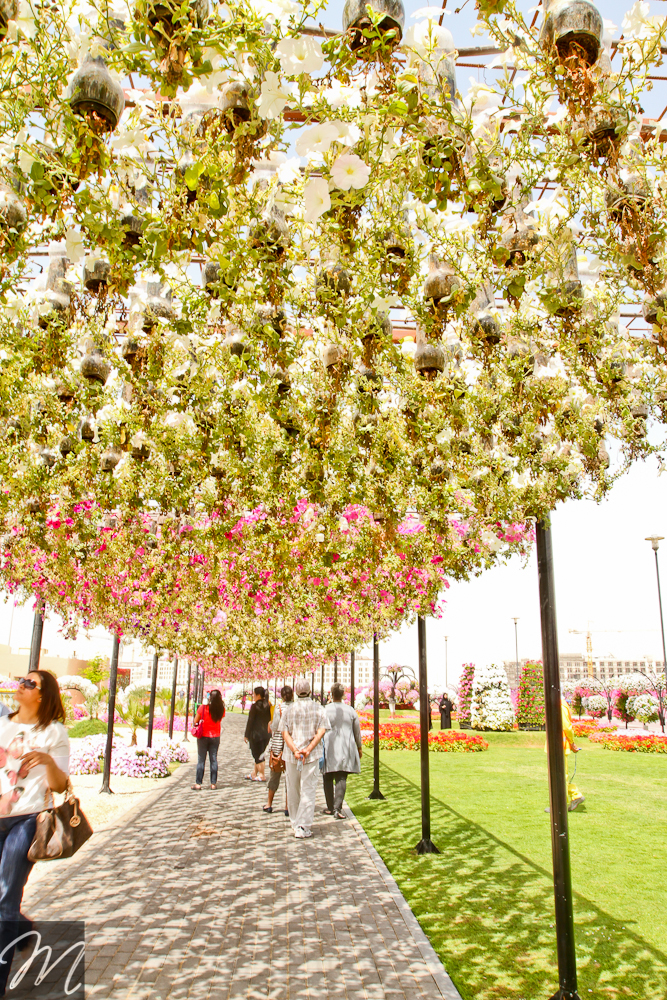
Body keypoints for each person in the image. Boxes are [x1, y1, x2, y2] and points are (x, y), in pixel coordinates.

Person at [0, 672, 70, 996]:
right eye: (21, 681)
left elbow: (59, 785)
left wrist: (46, 761)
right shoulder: (3, 721)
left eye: (30, 684)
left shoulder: (54, 732)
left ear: (42, 695)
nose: (22, 685)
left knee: (6, 894)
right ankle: (23, 928)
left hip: (26, 820)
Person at [279, 678, 329, 838]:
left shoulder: (290, 709)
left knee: (293, 789)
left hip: (292, 756)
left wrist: (294, 749)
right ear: (309, 691)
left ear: (296, 692)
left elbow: (284, 732)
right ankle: (303, 826)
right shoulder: (318, 708)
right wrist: (308, 749)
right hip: (311, 755)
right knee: (308, 789)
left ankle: (296, 823)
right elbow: (322, 730)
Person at [322, 682, 362, 819]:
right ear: (343, 694)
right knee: (341, 776)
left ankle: (330, 806)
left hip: (329, 746)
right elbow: (357, 731)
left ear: (331, 695)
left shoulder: (325, 710)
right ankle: (337, 808)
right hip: (345, 746)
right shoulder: (350, 710)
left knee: (327, 776)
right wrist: (359, 747)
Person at [545, 697, 584, 812]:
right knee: (559, 776)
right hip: (556, 745)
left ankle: (559, 806)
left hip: (559, 746)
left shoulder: (559, 705)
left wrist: (572, 743)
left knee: (560, 777)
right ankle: (575, 795)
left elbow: (566, 726)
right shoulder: (558, 704)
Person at [264, 685, 293, 815]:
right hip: (291, 745)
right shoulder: (295, 708)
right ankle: (287, 807)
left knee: (274, 775)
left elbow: (275, 726)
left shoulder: (279, 708)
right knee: (290, 777)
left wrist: (271, 724)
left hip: (278, 745)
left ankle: (269, 804)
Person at [191, 689, 225, 790]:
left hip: (203, 737)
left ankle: (198, 783)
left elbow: (195, 720)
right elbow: (219, 719)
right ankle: (213, 783)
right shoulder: (221, 709)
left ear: (210, 697)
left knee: (201, 760)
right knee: (213, 759)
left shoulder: (203, 707)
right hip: (215, 736)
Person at [244, 686, 272, 781]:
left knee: (258, 755)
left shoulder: (255, 706)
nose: (253, 696)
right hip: (266, 734)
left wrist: (246, 735)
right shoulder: (268, 705)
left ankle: (262, 775)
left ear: (258, 695)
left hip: (256, 735)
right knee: (260, 753)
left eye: (254, 694)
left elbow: (250, 721)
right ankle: (254, 773)